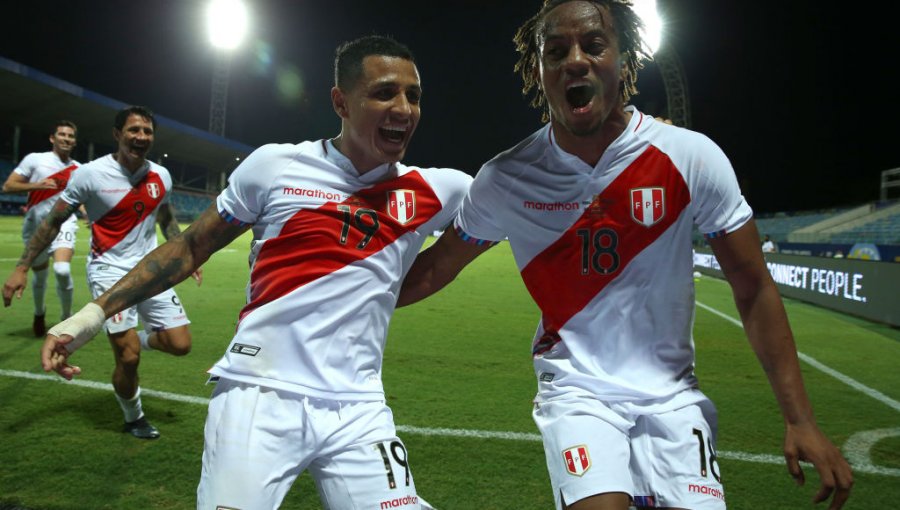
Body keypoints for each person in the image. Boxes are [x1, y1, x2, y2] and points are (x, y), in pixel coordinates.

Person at [397, 1, 853, 509]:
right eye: (555, 51)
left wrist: (801, 419)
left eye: (593, 46)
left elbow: (753, 285)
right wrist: (337, 296)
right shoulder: (507, 178)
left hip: (674, 397)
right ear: (538, 70)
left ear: (625, 57)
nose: (574, 61)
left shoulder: (690, 157)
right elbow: (437, 267)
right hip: (577, 391)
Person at [39, 36, 469, 509]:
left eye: (414, 95)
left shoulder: (440, 190)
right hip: (257, 392)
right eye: (385, 92)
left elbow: (523, 199)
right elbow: (188, 246)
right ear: (340, 101)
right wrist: (91, 316)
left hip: (360, 406)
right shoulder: (275, 166)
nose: (404, 108)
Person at [3, 106, 201, 440]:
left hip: (152, 269)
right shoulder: (90, 174)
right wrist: (22, 266)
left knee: (179, 344)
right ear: (117, 134)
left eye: (147, 132)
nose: (141, 138)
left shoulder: (161, 176)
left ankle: (131, 338)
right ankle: (133, 417)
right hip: (109, 270)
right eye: (133, 130)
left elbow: (166, 217)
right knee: (128, 358)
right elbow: (52, 222)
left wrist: (185, 255)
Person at [2, 120, 81, 336]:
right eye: (62, 134)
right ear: (52, 138)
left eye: (70, 136)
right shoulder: (35, 160)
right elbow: (8, 186)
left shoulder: (79, 169)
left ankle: (67, 318)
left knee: (62, 270)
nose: (66, 138)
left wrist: (88, 212)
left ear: (74, 141)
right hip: (36, 226)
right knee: (40, 276)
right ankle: (39, 313)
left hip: (64, 222)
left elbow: (81, 196)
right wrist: (37, 184)